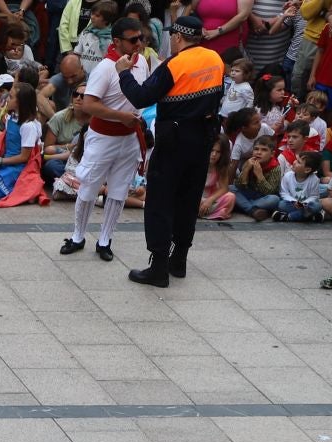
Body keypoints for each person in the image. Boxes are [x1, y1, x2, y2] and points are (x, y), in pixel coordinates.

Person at [119, 11, 225, 284]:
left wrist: (124, 74)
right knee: (188, 200)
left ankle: (158, 268)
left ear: (178, 37)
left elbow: (142, 96)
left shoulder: (174, 65)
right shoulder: (215, 59)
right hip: (202, 139)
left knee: (160, 203)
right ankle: (179, 260)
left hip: (174, 141)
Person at [59, 16, 153, 260]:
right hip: (103, 137)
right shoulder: (104, 68)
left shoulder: (142, 61)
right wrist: (121, 116)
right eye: (133, 40)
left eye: (141, 38)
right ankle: (78, 236)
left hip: (130, 138)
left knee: (119, 191)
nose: (139, 44)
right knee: (89, 186)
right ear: (117, 41)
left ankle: (105, 240)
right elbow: (89, 105)